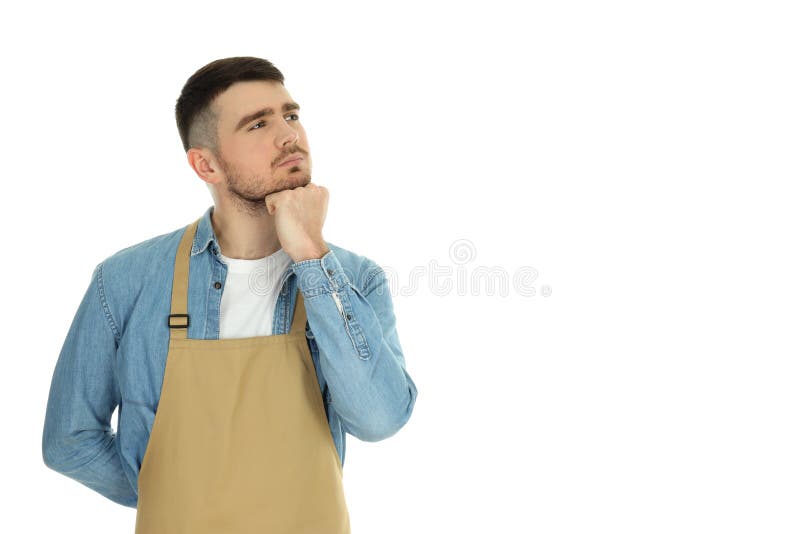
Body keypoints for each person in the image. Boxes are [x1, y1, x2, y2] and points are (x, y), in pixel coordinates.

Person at [41, 56, 418, 533]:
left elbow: (380, 419)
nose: (289, 135)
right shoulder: (124, 281)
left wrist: (310, 256)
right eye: (258, 124)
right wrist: (170, 496)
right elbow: (69, 440)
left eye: (291, 115)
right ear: (206, 164)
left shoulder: (354, 280)